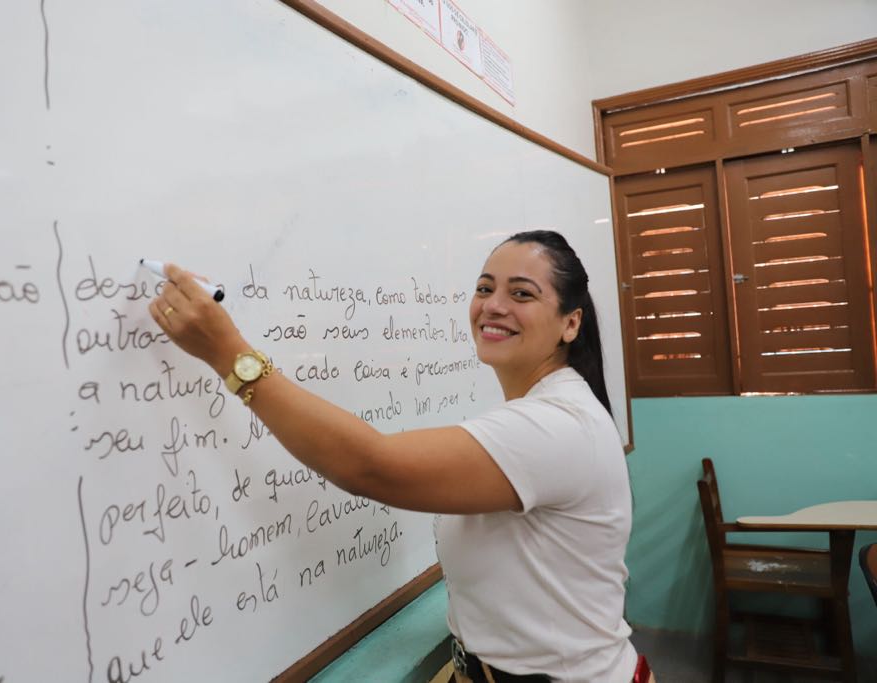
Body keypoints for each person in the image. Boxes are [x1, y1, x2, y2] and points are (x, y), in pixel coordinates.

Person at [148, 230, 646, 683]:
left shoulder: (557, 426)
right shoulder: (545, 412)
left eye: (521, 294)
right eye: (484, 288)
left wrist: (228, 353)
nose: (493, 306)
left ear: (570, 323)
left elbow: (371, 466)